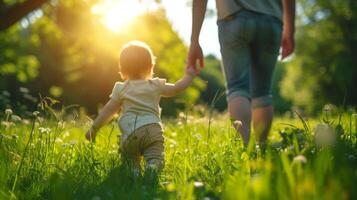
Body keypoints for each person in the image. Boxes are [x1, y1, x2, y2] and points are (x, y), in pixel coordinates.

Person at [188, 0, 295, 146]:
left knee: (237, 87)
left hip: (234, 16)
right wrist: (290, 29)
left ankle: (244, 149)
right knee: (263, 91)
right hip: (271, 20)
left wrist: (194, 40)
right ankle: (261, 147)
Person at [85, 41, 199, 177]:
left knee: (130, 159)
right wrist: (189, 76)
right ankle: (152, 167)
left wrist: (94, 128)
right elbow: (176, 88)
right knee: (156, 157)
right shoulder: (154, 85)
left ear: (122, 69)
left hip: (130, 133)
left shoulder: (122, 88)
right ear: (151, 66)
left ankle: (134, 173)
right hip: (152, 130)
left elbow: (109, 111)